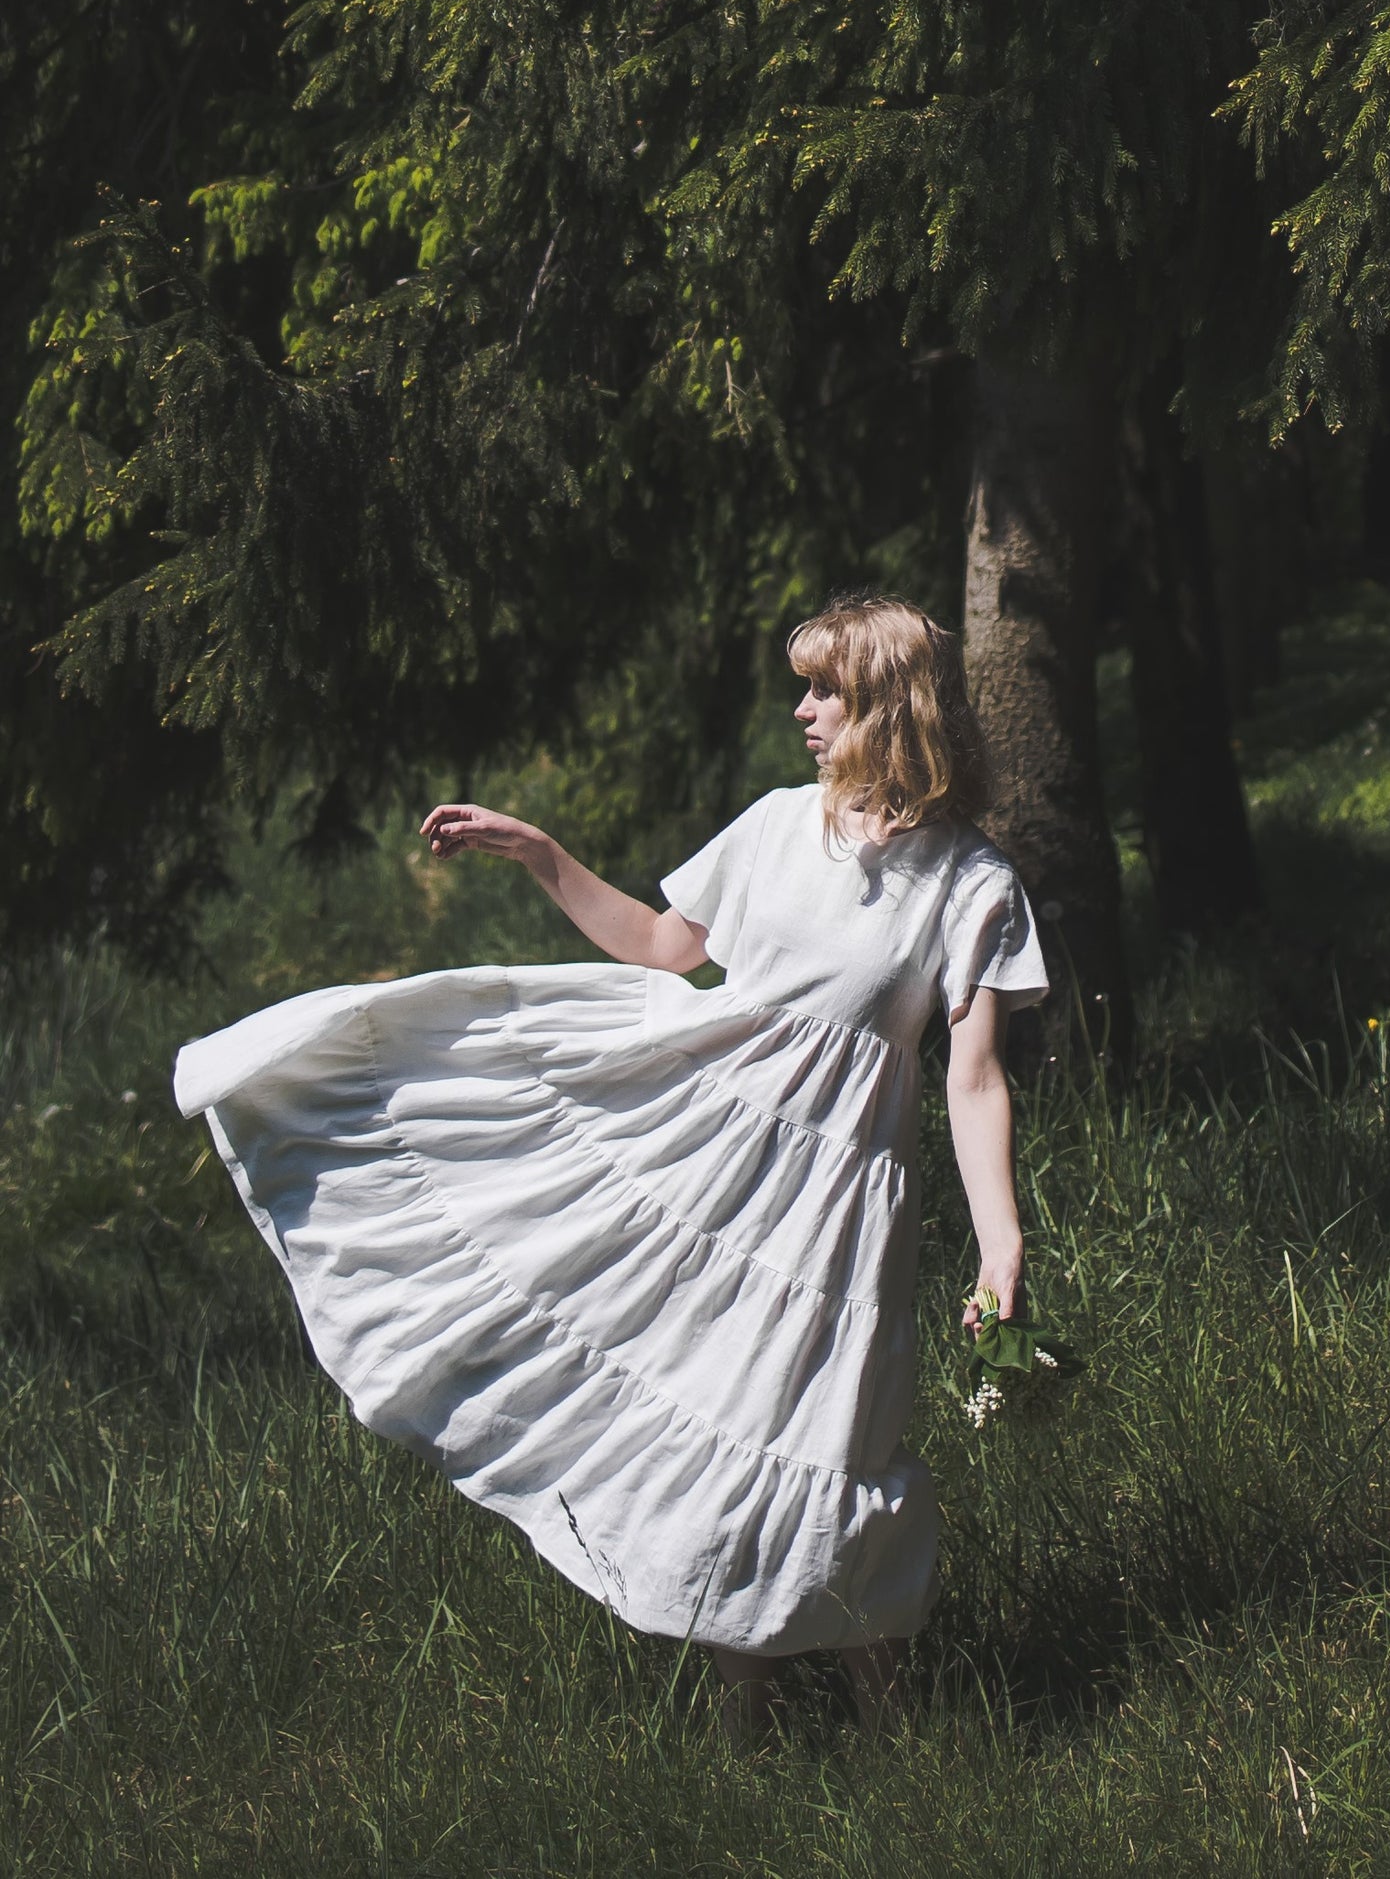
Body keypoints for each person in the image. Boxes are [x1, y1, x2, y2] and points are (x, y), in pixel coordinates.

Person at [172, 592, 1047, 1736]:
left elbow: (971, 1078)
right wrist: (540, 853)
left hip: (837, 1202)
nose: (801, 708)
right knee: (720, 1417)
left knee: (840, 1433)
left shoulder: (970, 883)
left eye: (824, 689)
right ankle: (747, 1739)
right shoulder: (780, 825)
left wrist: (1001, 1242)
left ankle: (891, 1728)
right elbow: (663, 947)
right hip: (704, 1156)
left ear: (889, 705)